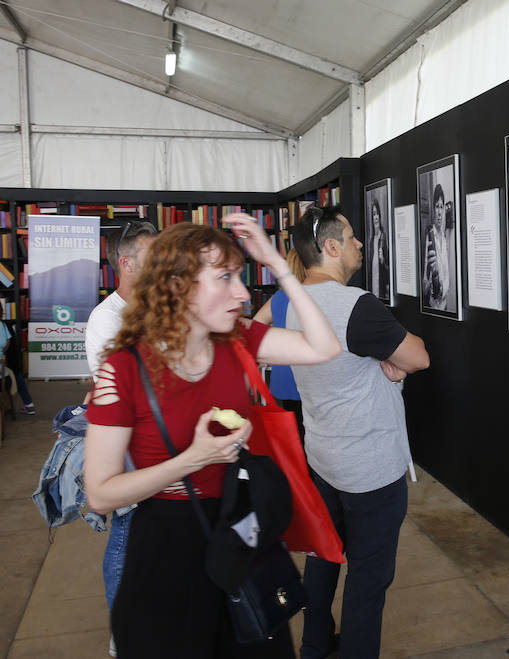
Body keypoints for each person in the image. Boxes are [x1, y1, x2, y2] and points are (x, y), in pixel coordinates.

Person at [83, 216, 341, 658]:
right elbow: (101, 494)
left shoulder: (237, 339)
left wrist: (277, 264)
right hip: (167, 546)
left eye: (240, 276)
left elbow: (324, 347)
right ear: (177, 286)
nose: (242, 293)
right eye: (224, 278)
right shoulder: (122, 370)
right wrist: (193, 458)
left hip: (238, 530)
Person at [288, 205, 430, 659]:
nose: (360, 244)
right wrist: (392, 363)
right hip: (369, 469)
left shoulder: (296, 303)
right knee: (368, 580)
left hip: (323, 458)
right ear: (331, 247)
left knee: (323, 558)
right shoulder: (356, 306)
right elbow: (419, 357)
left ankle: (314, 647)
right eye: (351, 237)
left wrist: (385, 362)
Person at [84, 219, 157, 658]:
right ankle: (123, 630)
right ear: (126, 264)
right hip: (128, 450)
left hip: (159, 444)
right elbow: (132, 389)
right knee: (127, 535)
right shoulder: (106, 319)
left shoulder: (154, 307)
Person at [253, 248, 306, 433]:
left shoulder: (279, 297)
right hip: (308, 379)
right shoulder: (311, 298)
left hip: (282, 378)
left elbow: (255, 325)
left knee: (295, 436)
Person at [421, 184, 454, 311]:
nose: (439, 212)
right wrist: (429, 271)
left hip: (444, 305)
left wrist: (443, 290)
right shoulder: (429, 236)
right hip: (432, 306)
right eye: (437, 206)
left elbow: (447, 274)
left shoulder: (444, 239)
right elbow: (424, 287)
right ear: (433, 210)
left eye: (441, 207)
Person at [0, 304, 34, 414]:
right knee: (15, 376)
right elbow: (7, 344)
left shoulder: (4, 326)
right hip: (8, 361)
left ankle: (27, 404)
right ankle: (28, 403)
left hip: (8, 362)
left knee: (14, 376)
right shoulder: (4, 325)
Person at [369, 198, 389, 299]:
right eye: (373, 214)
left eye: (377, 214)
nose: (376, 217)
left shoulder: (383, 238)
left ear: (380, 216)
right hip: (372, 292)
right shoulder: (371, 241)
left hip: (382, 292)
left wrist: (383, 261)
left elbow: (389, 268)